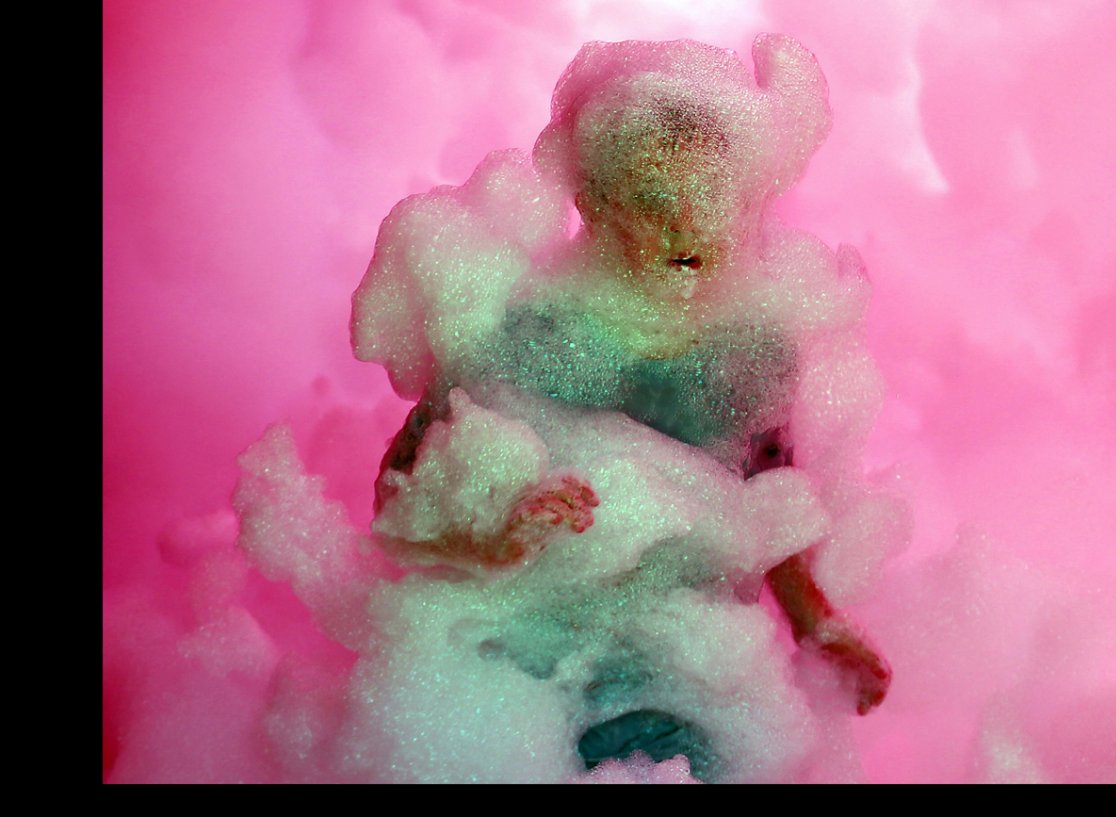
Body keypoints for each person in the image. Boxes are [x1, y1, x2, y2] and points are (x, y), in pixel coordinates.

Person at [354, 35, 891, 782]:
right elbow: (396, 502)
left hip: (687, 666)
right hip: (530, 663)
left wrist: (814, 621)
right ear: (596, 206)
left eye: (713, 196)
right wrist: (488, 539)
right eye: (655, 200)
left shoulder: (753, 352)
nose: (688, 226)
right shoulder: (525, 336)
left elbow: (769, 494)